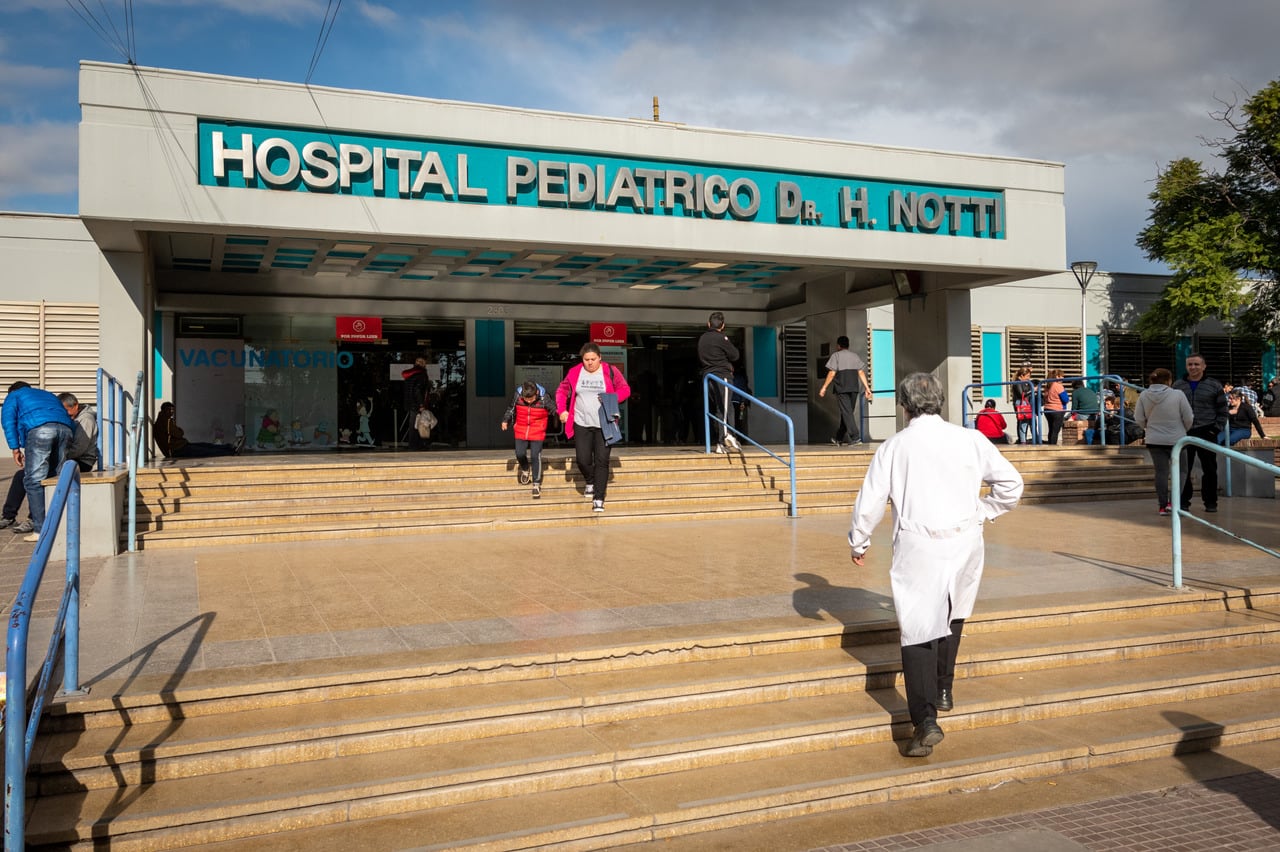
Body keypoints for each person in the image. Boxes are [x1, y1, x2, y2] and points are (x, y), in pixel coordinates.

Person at [849, 372, 1023, 757]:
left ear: (904, 405)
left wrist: (858, 540)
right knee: (954, 609)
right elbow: (1012, 486)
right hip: (964, 539)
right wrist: (983, 513)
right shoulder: (971, 439)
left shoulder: (895, 446)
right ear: (941, 401)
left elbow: (871, 500)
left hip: (919, 543)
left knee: (917, 629)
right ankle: (944, 687)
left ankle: (925, 720)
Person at [556, 343, 631, 513]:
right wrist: (562, 410)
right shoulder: (575, 372)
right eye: (586, 360)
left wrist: (612, 397)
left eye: (593, 359)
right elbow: (562, 391)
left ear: (599, 358)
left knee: (602, 461)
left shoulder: (610, 371)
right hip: (581, 422)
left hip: (605, 423)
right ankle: (590, 480)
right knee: (582, 459)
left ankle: (599, 497)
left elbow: (625, 389)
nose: (590, 363)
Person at [2, 381, 75, 544]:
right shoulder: (47, 394)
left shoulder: (14, 396)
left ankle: (40, 530)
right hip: (65, 430)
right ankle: (60, 524)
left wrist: (15, 448)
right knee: (56, 478)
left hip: (41, 430)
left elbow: (9, 422)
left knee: (32, 481)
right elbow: (65, 417)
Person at [1172, 353, 1228, 513]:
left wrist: (1216, 429)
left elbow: (1223, 410)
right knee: (1183, 469)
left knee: (1209, 469)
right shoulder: (1178, 386)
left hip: (1207, 430)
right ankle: (1183, 502)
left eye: (1196, 364)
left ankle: (1211, 502)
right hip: (1184, 432)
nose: (1193, 367)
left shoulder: (1214, 385)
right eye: (1190, 364)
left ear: (1204, 366)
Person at [1135, 368, 1193, 515]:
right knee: (1182, 471)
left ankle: (1162, 505)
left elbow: (1139, 417)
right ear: (1169, 380)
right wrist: (1183, 430)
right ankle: (1174, 503)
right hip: (1177, 439)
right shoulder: (1178, 394)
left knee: (1161, 472)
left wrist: (1148, 428)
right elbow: (1188, 417)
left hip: (1154, 439)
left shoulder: (1143, 395)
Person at [501, 380, 555, 499]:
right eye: (526, 399)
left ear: (536, 393)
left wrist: (561, 415)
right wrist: (506, 420)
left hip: (537, 429)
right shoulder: (518, 395)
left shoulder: (544, 397)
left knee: (536, 456)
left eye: (531, 399)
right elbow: (511, 408)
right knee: (519, 454)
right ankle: (525, 468)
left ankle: (536, 483)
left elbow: (553, 408)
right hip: (521, 427)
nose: (528, 401)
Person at [818, 335, 873, 447]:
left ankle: (855, 437)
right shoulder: (854, 356)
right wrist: (867, 388)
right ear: (848, 345)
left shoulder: (836, 355)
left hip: (842, 388)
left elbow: (832, 373)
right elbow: (861, 373)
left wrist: (824, 387)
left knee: (847, 413)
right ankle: (839, 438)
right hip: (854, 389)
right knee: (847, 413)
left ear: (838, 345)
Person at [697, 311, 740, 452]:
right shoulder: (722, 338)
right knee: (725, 409)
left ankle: (725, 440)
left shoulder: (702, 338)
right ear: (723, 326)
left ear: (708, 324)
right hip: (722, 377)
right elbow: (735, 355)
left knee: (723, 409)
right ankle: (725, 438)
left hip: (708, 378)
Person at [154, 402, 238, 459]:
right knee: (205, 451)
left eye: (173, 410)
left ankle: (229, 447)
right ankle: (230, 451)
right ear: (165, 410)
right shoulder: (166, 421)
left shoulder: (162, 420)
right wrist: (179, 430)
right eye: (170, 410)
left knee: (204, 446)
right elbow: (179, 433)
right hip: (176, 450)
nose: (172, 412)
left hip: (179, 447)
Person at [58, 392, 99, 472]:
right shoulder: (77, 418)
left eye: (67, 411)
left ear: (76, 406)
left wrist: (61, 456)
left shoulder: (86, 419)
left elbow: (79, 448)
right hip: (74, 459)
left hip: (82, 461)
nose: (65, 414)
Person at [401, 357, 433, 450]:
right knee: (421, 424)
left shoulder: (410, 374)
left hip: (410, 404)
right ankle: (419, 445)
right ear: (423, 364)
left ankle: (413, 445)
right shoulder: (421, 374)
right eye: (424, 362)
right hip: (418, 404)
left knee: (413, 425)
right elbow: (418, 390)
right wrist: (421, 405)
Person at [1041, 369, 1067, 445]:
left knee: (1051, 429)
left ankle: (1050, 444)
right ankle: (1053, 446)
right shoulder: (1058, 386)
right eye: (1061, 376)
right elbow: (1065, 399)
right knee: (1055, 430)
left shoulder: (1048, 385)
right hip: (1057, 410)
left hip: (1047, 409)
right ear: (1057, 376)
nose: (1063, 378)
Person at [1010, 365, 1034, 444]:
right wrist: (1032, 390)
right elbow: (1021, 394)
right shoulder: (1018, 382)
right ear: (1021, 376)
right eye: (1027, 376)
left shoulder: (1023, 382)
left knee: (1024, 422)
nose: (1028, 378)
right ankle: (1022, 441)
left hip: (1022, 402)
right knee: (1023, 423)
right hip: (1020, 403)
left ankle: (1023, 440)